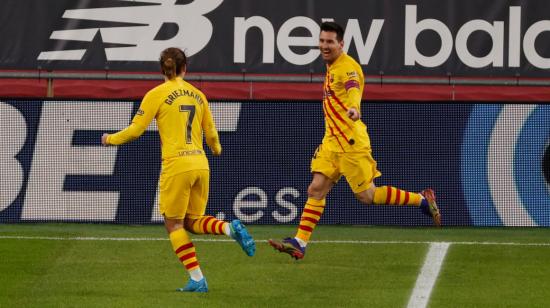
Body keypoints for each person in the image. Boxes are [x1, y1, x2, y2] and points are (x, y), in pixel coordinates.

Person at [268, 22, 441, 260]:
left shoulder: (347, 67)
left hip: (350, 142)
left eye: (330, 42)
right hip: (332, 141)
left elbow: (353, 88)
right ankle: (300, 242)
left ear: (341, 44)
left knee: (367, 196)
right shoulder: (332, 66)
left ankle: (421, 200)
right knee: (316, 188)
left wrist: (354, 108)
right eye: (321, 41)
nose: (324, 46)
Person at [101, 47, 255, 292]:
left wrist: (110, 139)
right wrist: (216, 150)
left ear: (162, 69)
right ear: (185, 68)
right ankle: (228, 228)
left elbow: (135, 130)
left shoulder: (156, 94)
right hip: (200, 164)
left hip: (177, 165)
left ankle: (197, 279)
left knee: (173, 225)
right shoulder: (198, 95)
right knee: (193, 222)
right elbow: (212, 134)